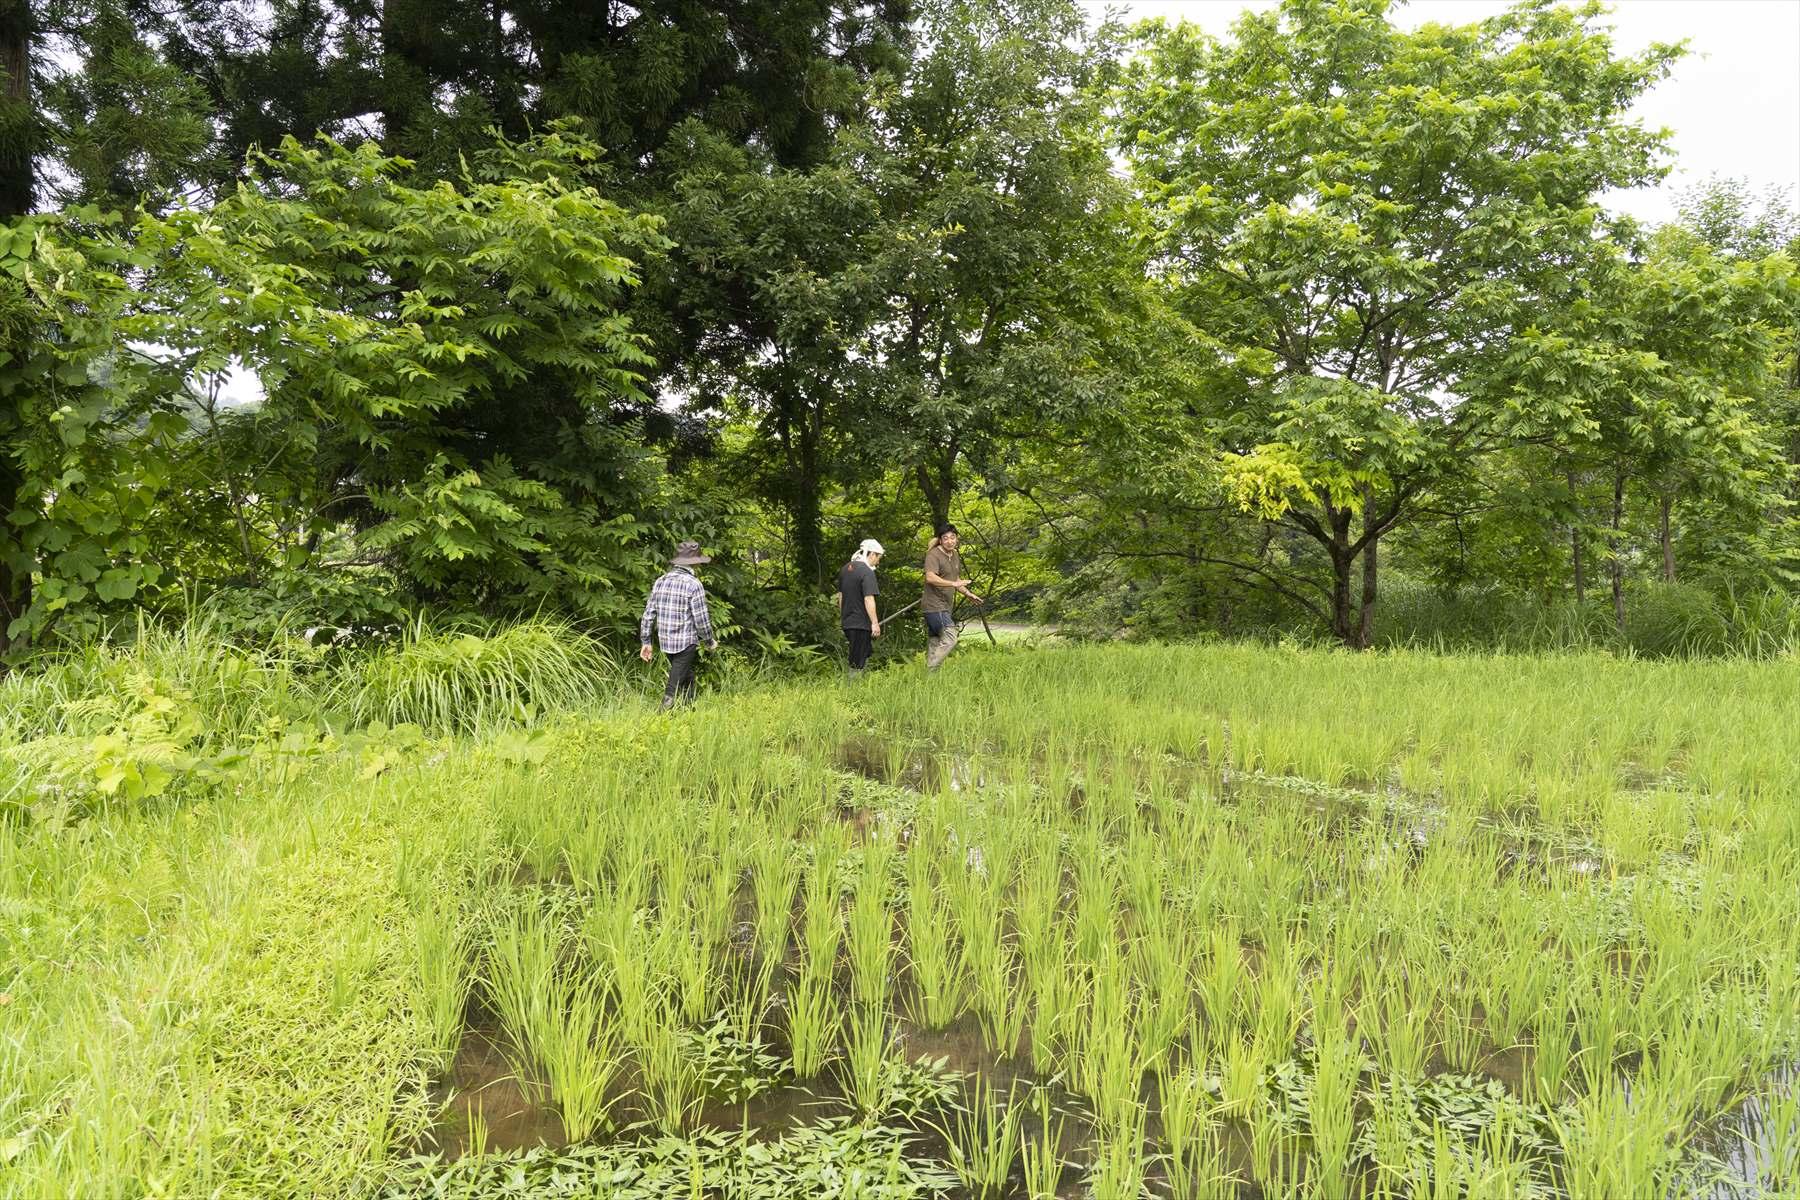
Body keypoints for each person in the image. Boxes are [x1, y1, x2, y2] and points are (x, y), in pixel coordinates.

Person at [639, 540, 718, 709]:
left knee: (686, 675)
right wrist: (709, 641)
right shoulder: (694, 584)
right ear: (695, 562)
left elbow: (648, 615)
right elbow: (701, 619)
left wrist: (646, 642)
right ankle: (661, 717)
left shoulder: (661, 581)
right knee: (673, 686)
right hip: (685, 642)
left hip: (665, 641)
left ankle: (689, 710)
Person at [922, 523, 981, 671]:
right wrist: (953, 584)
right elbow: (930, 577)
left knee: (935, 641)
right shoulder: (933, 555)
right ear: (940, 540)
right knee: (950, 638)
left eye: (952, 538)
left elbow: (956, 579)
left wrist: (968, 594)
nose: (950, 541)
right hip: (934, 606)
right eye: (946, 538)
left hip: (945, 606)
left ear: (956, 539)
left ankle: (930, 679)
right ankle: (931, 669)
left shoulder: (954, 554)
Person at [836, 538, 885, 680]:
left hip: (848, 622)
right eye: (878, 558)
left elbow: (840, 596)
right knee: (857, 660)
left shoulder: (845, 569)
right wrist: (874, 623)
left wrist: (843, 616)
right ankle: (853, 691)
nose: (878, 562)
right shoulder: (867, 572)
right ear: (872, 554)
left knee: (865, 652)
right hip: (861, 623)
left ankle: (860, 684)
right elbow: (868, 598)